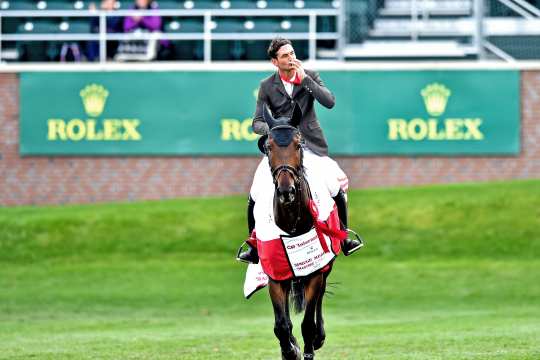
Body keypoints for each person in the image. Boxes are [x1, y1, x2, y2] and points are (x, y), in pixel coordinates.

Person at [237, 37, 363, 264]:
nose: (291, 58)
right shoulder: (267, 86)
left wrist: (306, 81)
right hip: (282, 149)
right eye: (285, 55)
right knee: (255, 192)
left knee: (335, 185)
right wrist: (276, 129)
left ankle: (344, 237)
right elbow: (256, 123)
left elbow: (329, 101)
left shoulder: (310, 75)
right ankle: (254, 246)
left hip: (310, 145)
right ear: (275, 62)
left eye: (292, 53)